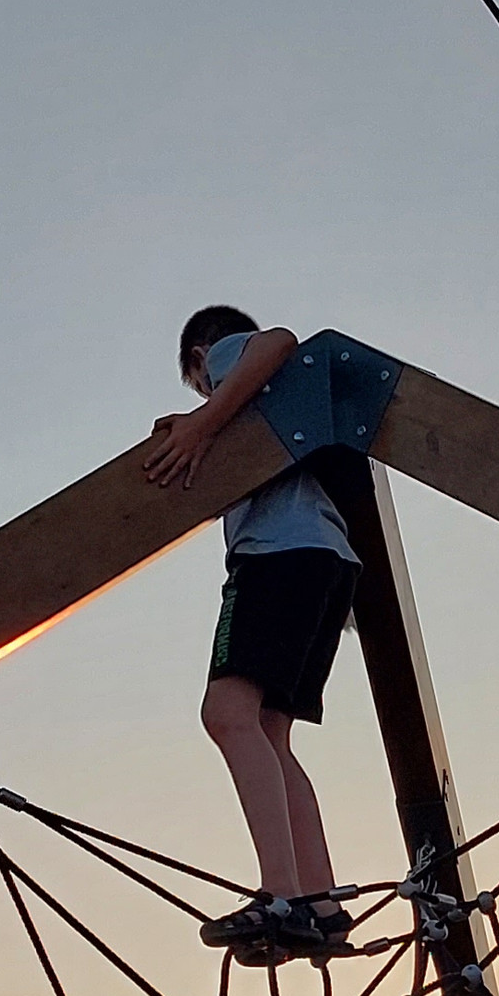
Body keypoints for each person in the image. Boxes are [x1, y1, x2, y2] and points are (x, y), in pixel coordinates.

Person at [145, 304, 359, 961]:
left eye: (200, 385)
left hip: (275, 558)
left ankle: (283, 895)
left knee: (227, 714)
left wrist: (202, 422)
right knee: (268, 731)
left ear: (198, 359)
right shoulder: (270, 416)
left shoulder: (228, 354)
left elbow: (278, 341)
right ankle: (319, 903)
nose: (206, 396)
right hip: (326, 564)